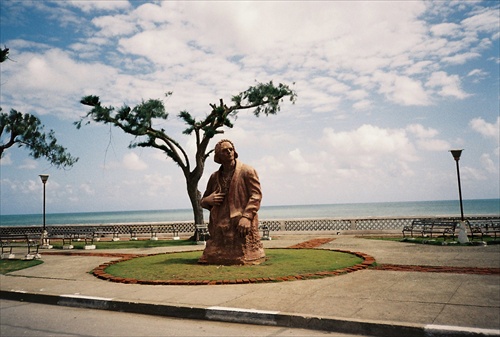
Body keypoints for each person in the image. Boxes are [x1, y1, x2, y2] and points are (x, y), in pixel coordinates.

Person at [199, 139, 265, 265]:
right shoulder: (214, 177)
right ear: (218, 156)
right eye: (225, 150)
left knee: (244, 251)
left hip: (239, 221)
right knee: (213, 253)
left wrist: (247, 217)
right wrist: (208, 200)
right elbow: (203, 201)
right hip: (219, 224)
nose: (229, 152)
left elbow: (256, 195)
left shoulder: (247, 171)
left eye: (231, 149)